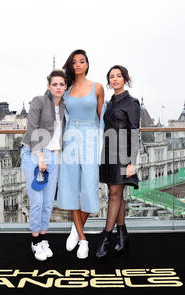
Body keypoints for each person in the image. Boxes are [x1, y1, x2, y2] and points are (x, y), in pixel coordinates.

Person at [57, 49, 105, 259]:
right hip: (70, 139)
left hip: (91, 139)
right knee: (71, 188)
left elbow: (102, 118)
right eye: (74, 62)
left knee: (88, 186)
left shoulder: (97, 87)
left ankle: (76, 229)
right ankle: (83, 239)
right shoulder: (66, 90)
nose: (78, 64)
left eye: (82, 61)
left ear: (87, 64)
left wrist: (101, 144)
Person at [21, 69, 67, 261]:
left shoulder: (64, 106)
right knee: (37, 202)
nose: (58, 87)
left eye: (61, 84)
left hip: (54, 156)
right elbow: (32, 129)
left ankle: (43, 239)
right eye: (54, 84)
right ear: (49, 86)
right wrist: (40, 156)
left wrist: (56, 153)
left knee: (48, 203)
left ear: (65, 87)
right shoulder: (39, 100)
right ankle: (34, 242)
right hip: (34, 154)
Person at [96, 65, 140, 259]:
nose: (115, 79)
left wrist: (131, 161)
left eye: (118, 76)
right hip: (108, 153)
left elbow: (135, 133)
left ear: (125, 79)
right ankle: (123, 234)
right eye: (111, 77)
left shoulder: (132, 102)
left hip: (122, 155)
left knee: (114, 195)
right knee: (117, 194)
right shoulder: (110, 102)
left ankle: (106, 237)